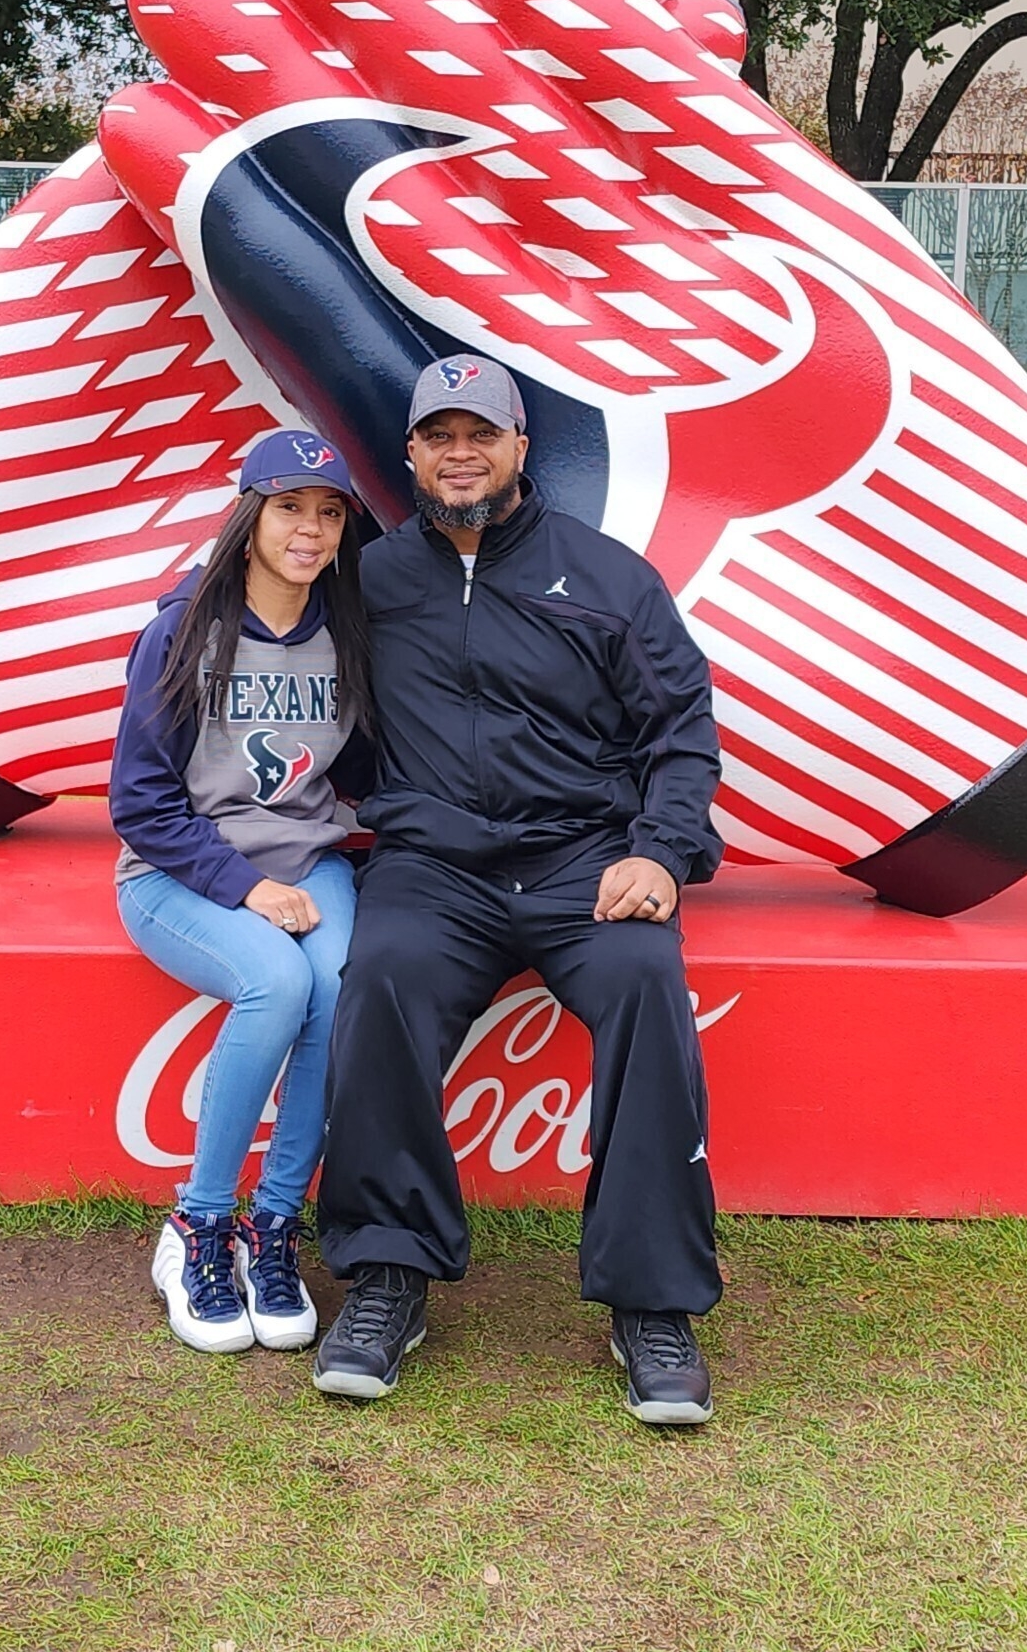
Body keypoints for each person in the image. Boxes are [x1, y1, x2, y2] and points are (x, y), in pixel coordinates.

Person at [312, 355, 725, 1427]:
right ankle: (388, 1275)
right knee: (383, 977)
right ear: (409, 452)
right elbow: (244, 624)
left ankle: (652, 1302)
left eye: (480, 434)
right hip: (435, 866)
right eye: (438, 434)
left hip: (584, 860)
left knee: (645, 987)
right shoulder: (369, 578)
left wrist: (662, 853)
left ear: (519, 449)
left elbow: (681, 734)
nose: (460, 453)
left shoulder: (609, 576)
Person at [110, 428, 375, 1355]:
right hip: (180, 870)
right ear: (249, 515)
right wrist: (245, 886)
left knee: (341, 989)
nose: (310, 528)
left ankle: (272, 1228)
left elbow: (368, 775)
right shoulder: (183, 633)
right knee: (278, 982)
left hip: (311, 861)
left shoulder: (347, 636)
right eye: (290, 507)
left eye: (329, 511)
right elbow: (139, 807)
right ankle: (199, 1224)